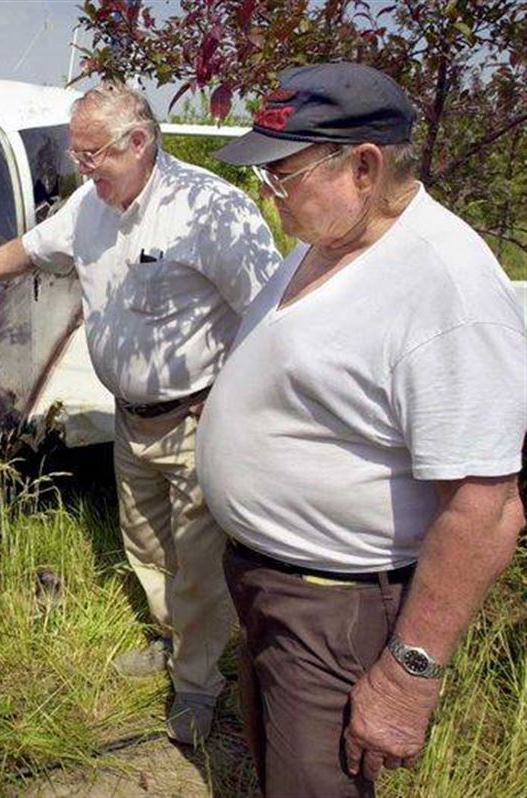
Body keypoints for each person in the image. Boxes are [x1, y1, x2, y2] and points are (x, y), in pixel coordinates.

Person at [0, 81, 280, 744]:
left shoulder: (212, 212)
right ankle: (176, 644)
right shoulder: (91, 203)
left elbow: (270, 317)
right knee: (145, 546)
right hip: (131, 420)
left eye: (94, 155)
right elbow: (34, 247)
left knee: (197, 563)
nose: (85, 169)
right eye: (78, 157)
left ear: (139, 142)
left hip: (200, 420)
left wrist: (249, 411)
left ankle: (196, 685)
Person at [198, 62, 527, 796]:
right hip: (270, 583)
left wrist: (410, 676)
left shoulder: (448, 290)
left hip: (333, 608)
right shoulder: (335, 235)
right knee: (276, 766)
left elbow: (488, 508)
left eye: (282, 176)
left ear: (364, 167)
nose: (266, 193)